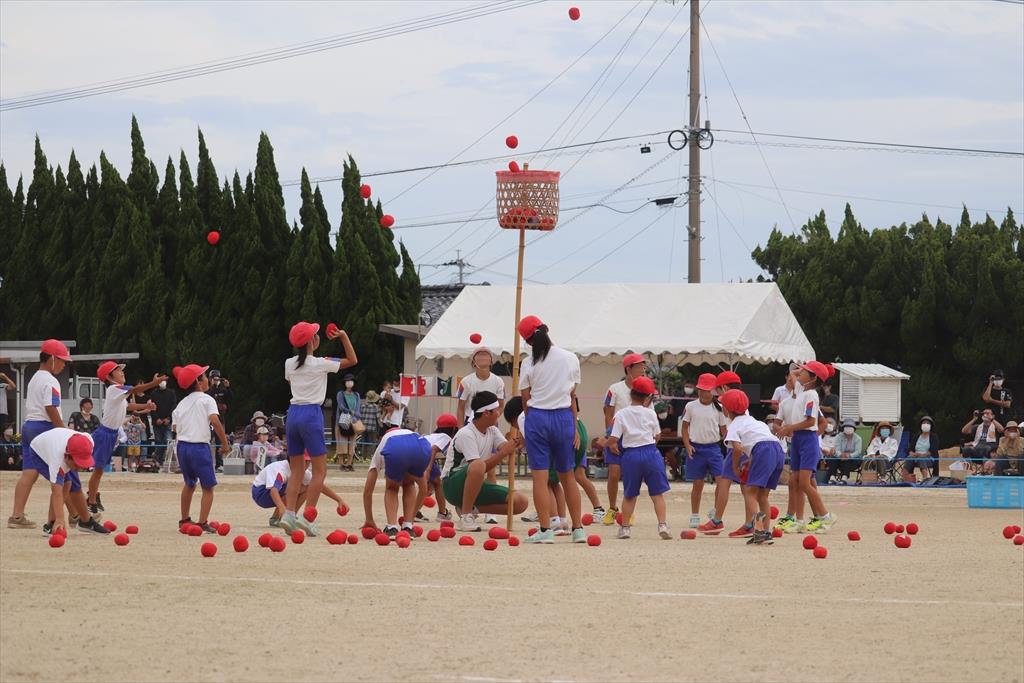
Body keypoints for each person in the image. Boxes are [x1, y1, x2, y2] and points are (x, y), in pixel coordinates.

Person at [279, 322, 357, 536]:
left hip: (293, 413)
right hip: (311, 414)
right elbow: (352, 360)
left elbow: (292, 382)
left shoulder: (289, 363)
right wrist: (343, 336)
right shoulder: (321, 363)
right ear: (313, 341)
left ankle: (289, 514)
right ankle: (307, 516)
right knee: (319, 471)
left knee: (296, 470)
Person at [517, 315, 586, 544]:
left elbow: (525, 399)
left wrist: (532, 423)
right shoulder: (570, 358)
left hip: (537, 417)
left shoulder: (528, 363)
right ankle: (578, 530)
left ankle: (546, 529)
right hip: (564, 418)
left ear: (527, 341)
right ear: (546, 329)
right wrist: (573, 425)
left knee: (540, 477)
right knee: (568, 476)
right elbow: (572, 393)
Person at [439, 392, 527, 533]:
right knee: (478, 465)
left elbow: (505, 448)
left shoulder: (492, 430)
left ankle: (469, 509)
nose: (499, 413)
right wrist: (503, 453)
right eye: (496, 410)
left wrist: (516, 443)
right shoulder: (466, 433)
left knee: (520, 502)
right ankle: (466, 517)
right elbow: (481, 467)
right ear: (486, 413)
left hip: (475, 483)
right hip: (452, 485)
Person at [86, 362, 162, 518]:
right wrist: (154, 383)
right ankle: (91, 501)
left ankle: (93, 495)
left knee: (99, 470)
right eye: (118, 370)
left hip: (111, 434)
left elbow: (128, 406)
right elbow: (135, 389)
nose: (122, 372)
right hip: (105, 434)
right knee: (98, 470)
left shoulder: (118, 392)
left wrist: (146, 407)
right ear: (109, 376)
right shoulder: (114, 389)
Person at [9, 339, 71, 529]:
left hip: (29, 427)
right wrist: (62, 431)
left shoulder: (35, 377)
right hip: (44, 428)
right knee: (65, 478)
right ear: (51, 358)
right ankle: (59, 520)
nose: (63, 364)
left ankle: (16, 516)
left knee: (29, 473)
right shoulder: (51, 380)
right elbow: (51, 407)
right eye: (61, 360)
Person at [774, 360, 836, 533]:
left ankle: (825, 516)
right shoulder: (802, 390)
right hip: (798, 440)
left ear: (813, 378)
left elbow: (811, 421)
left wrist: (788, 428)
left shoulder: (812, 395)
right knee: (795, 480)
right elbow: (793, 374)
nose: (799, 373)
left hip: (807, 439)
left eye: (805, 372)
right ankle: (799, 520)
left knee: (805, 483)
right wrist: (803, 369)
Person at [605, 376, 671, 540]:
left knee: (630, 495)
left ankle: (625, 528)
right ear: (648, 397)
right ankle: (662, 525)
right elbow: (657, 435)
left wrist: (610, 445)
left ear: (631, 394)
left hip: (631, 455)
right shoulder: (651, 413)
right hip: (650, 453)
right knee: (657, 494)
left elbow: (613, 439)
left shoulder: (621, 414)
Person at [720, 389, 785, 545]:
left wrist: (735, 467)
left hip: (763, 451)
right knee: (763, 496)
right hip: (778, 451)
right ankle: (767, 532)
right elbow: (761, 441)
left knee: (750, 492)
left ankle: (759, 530)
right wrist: (752, 459)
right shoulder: (755, 421)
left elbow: (737, 448)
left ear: (726, 409)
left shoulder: (735, 424)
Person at [171, 364, 229, 533]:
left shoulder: (181, 404)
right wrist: (224, 443)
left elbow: (175, 428)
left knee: (189, 484)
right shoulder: (207, 399)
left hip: (182, 446)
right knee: (208, 487)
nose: (207, 379)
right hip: (199, 447)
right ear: (198, 381)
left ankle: (184, 519)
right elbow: (215, 421)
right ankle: (202, 522)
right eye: (204, 376)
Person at [456, 347, 507, 524]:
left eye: (486, 355)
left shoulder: (498, 381)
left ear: (492, 361)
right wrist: (459, 427)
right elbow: (461, 407)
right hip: (472, 425)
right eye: (479, 355)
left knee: (490, 467)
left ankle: (489, 510)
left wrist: (494, 416)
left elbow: (501, 405)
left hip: (491, 425)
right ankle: (465, 504)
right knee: (471, 465)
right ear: (473, 361)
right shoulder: (466, 382)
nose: (483, 358)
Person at [26, 428, 109, 536]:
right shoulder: (57, 461)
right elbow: (57, 492)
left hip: (57, 442)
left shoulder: (88, 442)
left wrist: (76, 463)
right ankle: (50, 525)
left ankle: (86, 522)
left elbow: (77, 461)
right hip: (38, 452)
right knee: (66, 483)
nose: (79, 468)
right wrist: (60, 519)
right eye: (77, 464)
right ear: (67, 457)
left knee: (75, 486)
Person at [601, 353, 647, 526]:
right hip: (616, 437)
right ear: (629, 369)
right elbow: (608, 413)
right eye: (639, 366)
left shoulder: (646, 389)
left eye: (644, 366)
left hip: (635, 439)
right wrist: (609, 437)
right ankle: (612, 508)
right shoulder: (615, 389)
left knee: (631, 476)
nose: (643, 369)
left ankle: (629, 511)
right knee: (614, 474)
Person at [681, 373, 727, 533]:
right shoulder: (691, 406)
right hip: (696, 448)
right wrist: (687, 445)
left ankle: (716, 510)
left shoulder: (719, 408)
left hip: (713, 448)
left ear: (713, 391)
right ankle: (694, 514)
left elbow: (723, 430)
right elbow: (685, 427)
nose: (703, 393)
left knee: (722, 480)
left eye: (707, 390)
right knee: (697, 483)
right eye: (701, 389)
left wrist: (732, 442)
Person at [252, 455, 347, 527]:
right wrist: (281, 508)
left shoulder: (303, 472)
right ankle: (283, 516)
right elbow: (273, 491)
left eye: (308, 462)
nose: (306, 464)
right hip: (260, 493)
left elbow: (319, 486)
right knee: (296, 488)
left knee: (308, 487)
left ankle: (288, 516)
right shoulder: (280, 469)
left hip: (274, 492)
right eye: (304, 461)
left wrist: (339, 500)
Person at [335, 373, 364, 472]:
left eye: (351, 380)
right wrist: (350, 411)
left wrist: (356, 415)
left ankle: (349, 463)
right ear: (344, 383)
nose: (349, 383)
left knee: (352, 443)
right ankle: (342, 464)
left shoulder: (356, 395)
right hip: (342, 420)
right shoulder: (340, 394)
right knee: (342, 442)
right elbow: (341, 406)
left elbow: (358, 407)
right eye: (347, 381)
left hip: (354, 421)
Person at [902, 416, 940, 482]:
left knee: (921, 459)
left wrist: (921, 455)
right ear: (921, 425)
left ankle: (925, 479)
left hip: (928, 457)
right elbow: (910, 448)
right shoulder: (916, 436)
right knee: (909, 458)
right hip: (915, 456)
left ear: (931, 426)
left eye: (928, 423)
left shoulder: (934, 437)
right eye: (924, 423)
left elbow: (933, 451)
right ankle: (905, 478)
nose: (925, 425)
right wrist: (911, 453)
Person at [826, 418, 863, 482]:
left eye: (850, 427)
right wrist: (841, 455)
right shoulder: (838, 437)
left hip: (853, 460)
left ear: (854, 428)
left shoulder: (858, 438)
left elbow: (858, 452)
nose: (848, 429)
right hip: (840, 458)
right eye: (846, 427)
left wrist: (849, 455)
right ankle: (832, 477)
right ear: (843, 428)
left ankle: (844, 478)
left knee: (847, 460)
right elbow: (837, 449)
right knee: (832, 459)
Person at [149, 377, 177, 459]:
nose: (163, 382)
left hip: (168, 421)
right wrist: (156, 418)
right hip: (156, 422)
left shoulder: (171, 393)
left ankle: (158, 457)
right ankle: (159, 459)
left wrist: (168, 418)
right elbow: (151, 407)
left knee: (167, 440)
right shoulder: (154, 393)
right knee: (158, 441)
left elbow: (174, 406)